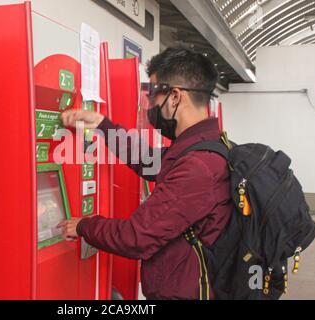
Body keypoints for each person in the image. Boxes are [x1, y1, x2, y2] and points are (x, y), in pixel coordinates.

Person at [59, 47, 233, 300]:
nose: (150, 105)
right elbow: (148, 160)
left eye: (153, 95)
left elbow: (136, 237)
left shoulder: (198, 166)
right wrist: (102, 124)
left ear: (175, 97)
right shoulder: (207, 146)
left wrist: (84, 225)